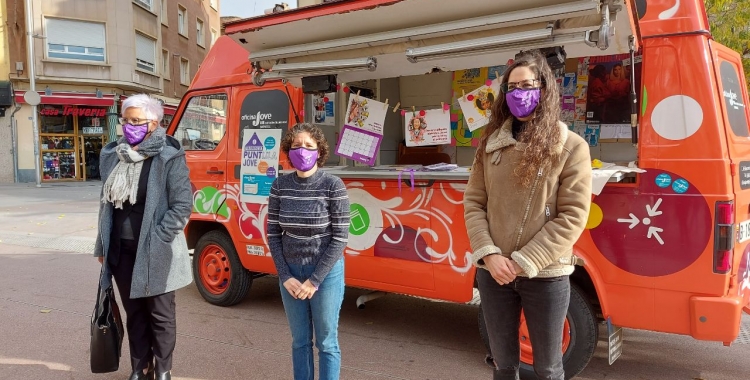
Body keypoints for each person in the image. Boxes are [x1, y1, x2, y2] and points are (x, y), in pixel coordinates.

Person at [463, 51, 592, 380]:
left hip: (546, 274)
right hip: (495, 274)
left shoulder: (571, 146)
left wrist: (525, 260)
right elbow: (474, 203)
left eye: (527, 85)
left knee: (548, 368)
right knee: (503, 364)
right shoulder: (490, 144)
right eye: (512, 87)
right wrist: (489, 255)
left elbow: (573, 215)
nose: (519, 93)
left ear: (544, 89)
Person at [94, 94, 193, 380]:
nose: (129, 126)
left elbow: (182, 204)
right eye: (126, 120)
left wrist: (159, 239)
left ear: (154, 123)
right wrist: (102, 244)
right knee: (134, 311)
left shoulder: (169, 155)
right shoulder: (113, 155)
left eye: (137, 121)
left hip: (156, 250)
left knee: (160, 315)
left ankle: (163, 368)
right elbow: (105, 205)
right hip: (121, 249)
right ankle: (140, 366)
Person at [267, 123, 350, 380]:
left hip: (325, 274)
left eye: (308, 146)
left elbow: (340, 238)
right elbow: (273, 234)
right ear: (288, 151)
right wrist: (285, 276)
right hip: (290, 273)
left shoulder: (333, 185)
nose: (302, 151)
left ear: (319, 151)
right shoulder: (279, 186)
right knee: (299, 341)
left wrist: (314, 281)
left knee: (326, 342)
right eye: (295, 146)